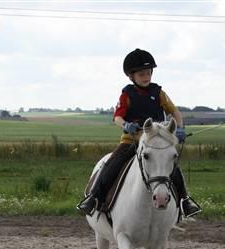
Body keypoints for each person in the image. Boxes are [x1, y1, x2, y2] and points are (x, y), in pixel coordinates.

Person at [77, 48, 201, 218]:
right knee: (112, 165)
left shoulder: (159, 93)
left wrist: (179, 129)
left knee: (173, 168)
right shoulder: (127, 94)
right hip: (131, 141)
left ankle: (185, 201)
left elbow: (176, 113)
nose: (146, 77)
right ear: (131, 76)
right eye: (142, 74)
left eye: (148, 73)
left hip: (157, 142)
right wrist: (126, 125)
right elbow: (117, 117)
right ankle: (94, 198)